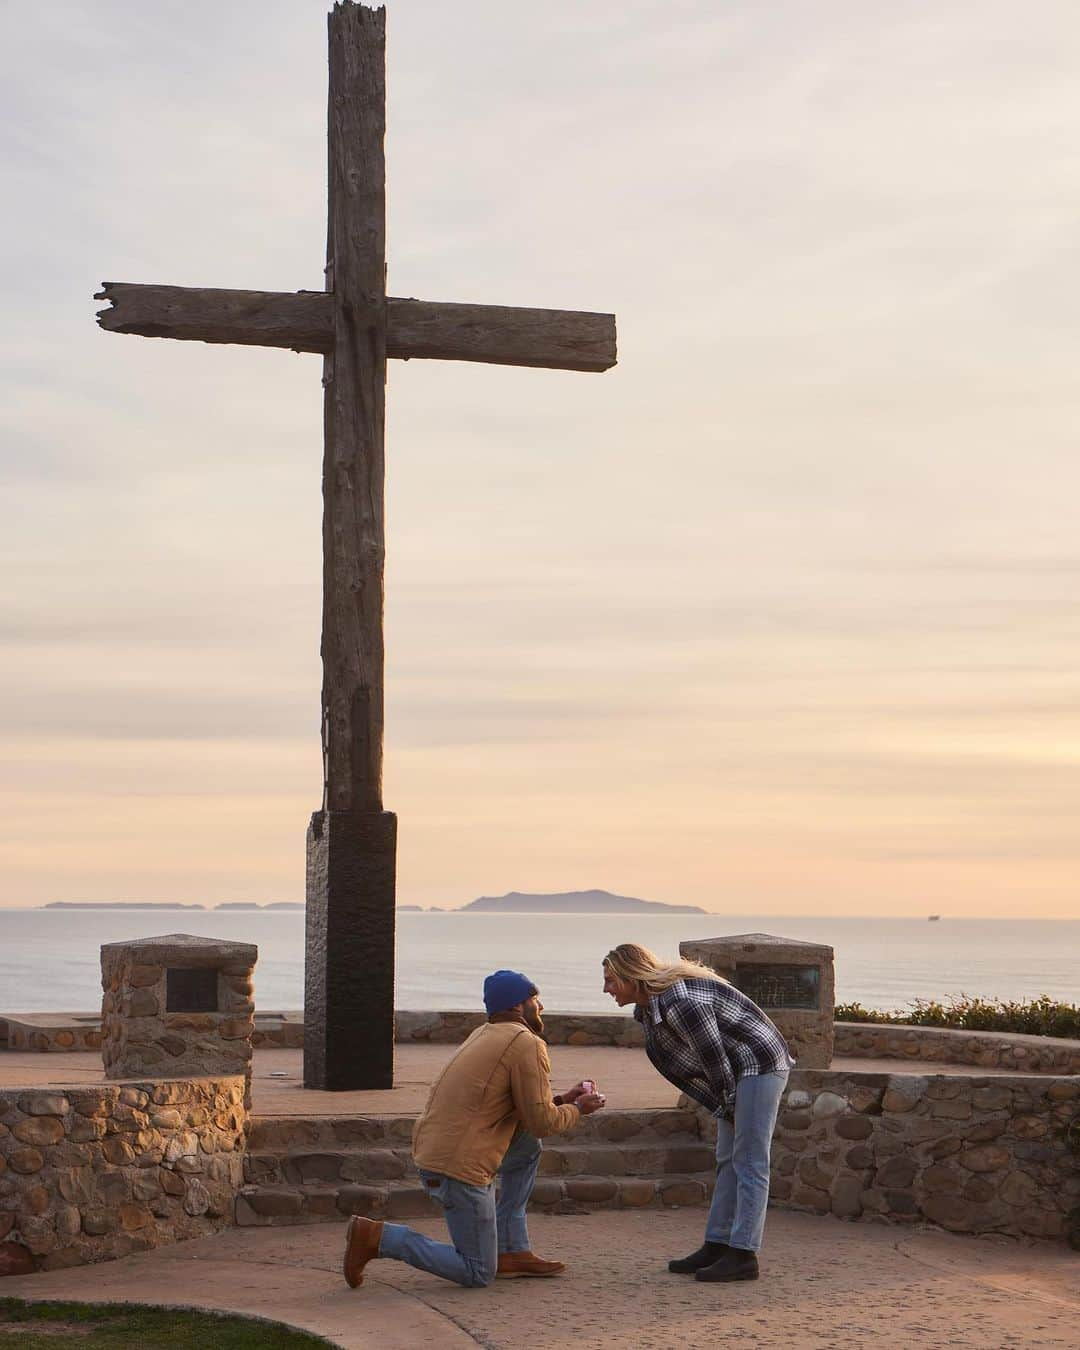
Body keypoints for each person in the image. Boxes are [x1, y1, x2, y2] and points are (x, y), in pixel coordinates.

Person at [343, 968, 606, 1290]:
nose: (541, 1006)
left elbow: (518, 1110)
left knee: (525, 1149)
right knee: (477, 1272)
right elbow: (542, 1122)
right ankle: (379, 1237)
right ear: (516, 1007)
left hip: (440, 1153)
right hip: (457, 1169)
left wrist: (563, 1099)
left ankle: (512, 1250)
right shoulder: (526, 1043)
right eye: (535, 999)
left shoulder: (484, 1034)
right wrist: (578, 1109)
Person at [602, 943, 792, 1283]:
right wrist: (726, 1105)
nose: (606, 989)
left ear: (631, 977)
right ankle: (717, 1244)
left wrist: (728, 1102)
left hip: (759, 1063)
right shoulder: (651, 1010)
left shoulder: (680, 1003)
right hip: (737, 1070)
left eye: (611, 980)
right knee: (726, 1158)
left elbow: (713, 1059)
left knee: (750, 1160)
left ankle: (744, 1254)